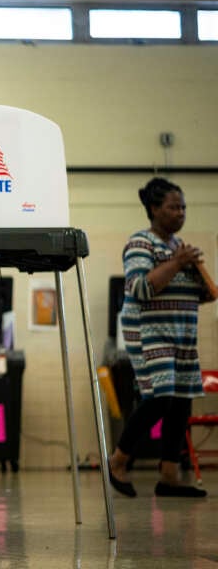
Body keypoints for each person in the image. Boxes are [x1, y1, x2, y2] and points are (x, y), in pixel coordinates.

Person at [108, 177, 215, 499]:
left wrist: (194, 270)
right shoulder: (141, 243)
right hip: (149, 330)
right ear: (154, 209)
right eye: (173, 207)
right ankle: (118, 459)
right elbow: (140, 288)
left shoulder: (176, 248)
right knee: (160, 396)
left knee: (182, 399)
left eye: (183, 207)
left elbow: (205, 296)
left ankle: (169, 475)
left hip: (181, 329)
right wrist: (178, 262)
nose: (180, 213)